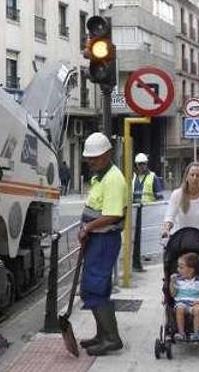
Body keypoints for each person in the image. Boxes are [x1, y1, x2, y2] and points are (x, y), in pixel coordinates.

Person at [77, 132, 125, 356]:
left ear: (107, 155)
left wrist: (88, 227)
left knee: (93, 286)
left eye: (95, 157)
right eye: (89, 158)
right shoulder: (100, 177)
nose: (91, 161)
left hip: (104, 239)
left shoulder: (114, 179)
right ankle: (102, 335)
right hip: (97, 238)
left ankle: (112, 338)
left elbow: (113, 215)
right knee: (97, 287)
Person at [161, 162, 199, 239]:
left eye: (198, 176)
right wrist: (166, 229)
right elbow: (169, 217)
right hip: (181, 240)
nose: (194, 178)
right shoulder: (177, 194)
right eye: (192, 175)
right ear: (186, 177)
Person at [170, 252, 199, 341]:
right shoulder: (178, 281)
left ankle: (196, 334)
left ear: (191, 270)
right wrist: (172, 282)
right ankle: (181, 333)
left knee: (198, 309)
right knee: (179, 308)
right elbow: (173, 294)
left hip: (195, 303)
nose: (178, 269)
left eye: (181, 268)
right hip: (182, 303)